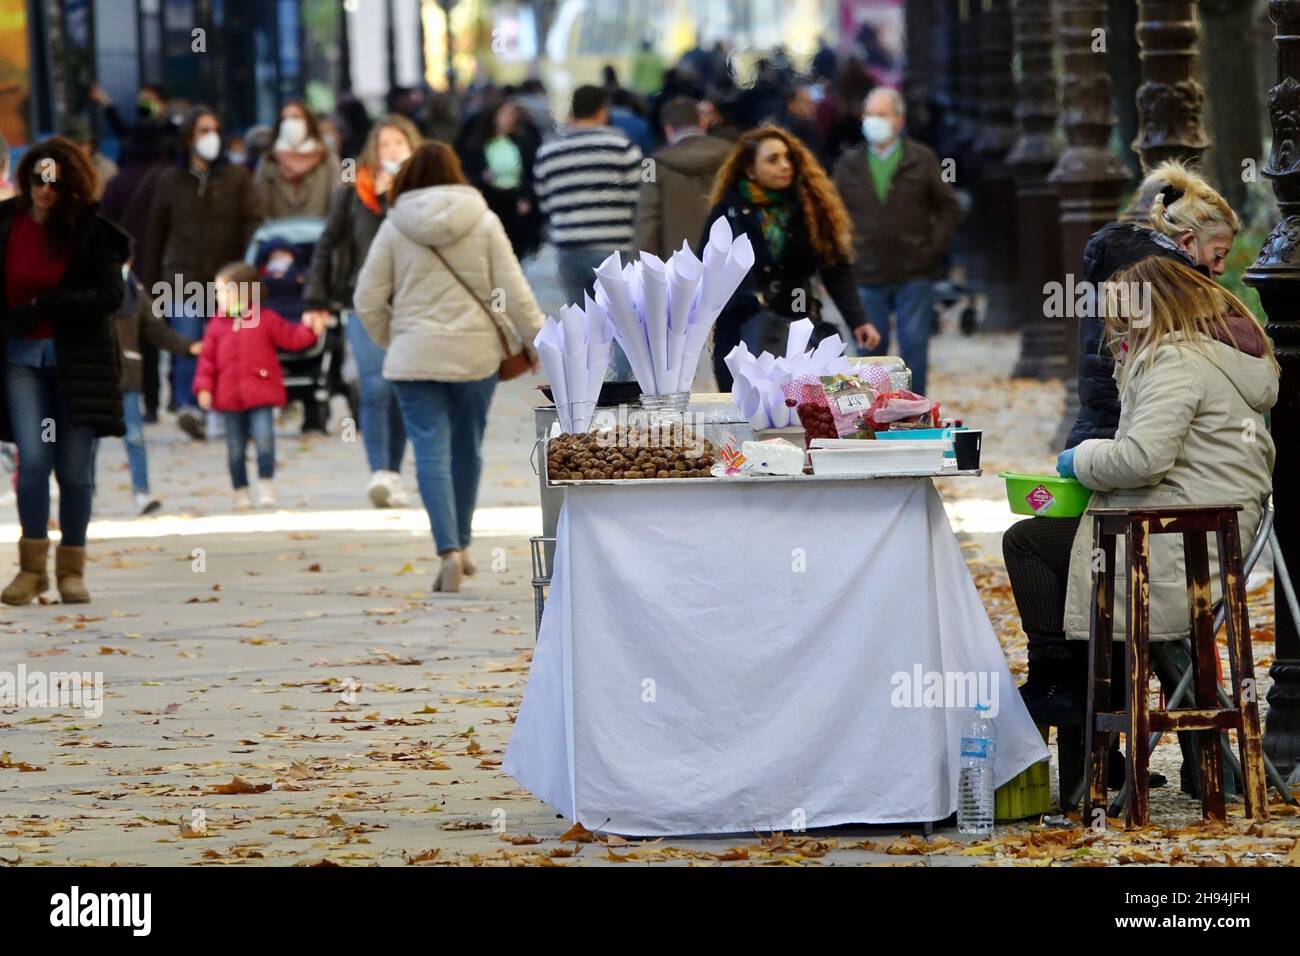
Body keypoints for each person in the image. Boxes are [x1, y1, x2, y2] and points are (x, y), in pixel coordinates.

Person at [1003, 256, 1277, 797]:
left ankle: (1060, 684)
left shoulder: (1175, 360)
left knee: (1029, 542)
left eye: (1121, 318)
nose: (1115, 331)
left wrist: (1079, 458)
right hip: (1204, 537)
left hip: (1175, 546)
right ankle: (1082, 722)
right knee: (1070, 562)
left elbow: (1142, 459)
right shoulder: (1221, 357)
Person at [353, 143, 544, 594]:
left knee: (430, 451)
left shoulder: (395, 225)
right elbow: (515, 291)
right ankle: (464, 541)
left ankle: (448, 552)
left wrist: (392, 337)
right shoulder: (483, 219)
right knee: (467, 448)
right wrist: (539, 344)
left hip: (414, 356)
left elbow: (366, 297)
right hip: (476, 355)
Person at [0, 137, 130, 605]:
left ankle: (71, 568)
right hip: (22, 360)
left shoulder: (92, 233)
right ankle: (31, 568)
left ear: (70, 185)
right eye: (36, 179)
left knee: (75, 472)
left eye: (53, 182)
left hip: (79, 363)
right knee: (32, 462)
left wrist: (53, 305)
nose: (43, 190)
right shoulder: (6, 224)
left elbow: (111, 296)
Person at [1065, 161, 1240, 450]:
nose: (1220, 268)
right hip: (1119, 444)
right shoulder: (1166, 291)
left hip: (1099, 436)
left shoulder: (1124, 268)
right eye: (1218, 255)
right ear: (1187, 242)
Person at [702, 125, 880, 392]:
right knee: (745, 413)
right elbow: (707, 266)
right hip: (742, 332)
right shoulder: (729, 209)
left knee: (806, 409)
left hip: (800, 327)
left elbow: (835, 268)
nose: (785, 166)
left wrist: (859, 321)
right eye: (773, 160)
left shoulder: (809, 206)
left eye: (788, 158)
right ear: (750, 170)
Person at [304, 115, 421, 509]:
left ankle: (394, 472)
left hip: (411, 303)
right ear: (373, 150)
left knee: (402, 386)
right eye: (385, 145)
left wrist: (397, 200)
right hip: (363, 301)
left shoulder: (425, 192)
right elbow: (327, 243)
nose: (391, 152)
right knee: (374, 386)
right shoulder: (355, 193)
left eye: (398, 145)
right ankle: (380, 473)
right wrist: (316, 299)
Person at [142, 106, 264, 440]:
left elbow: (253, 223)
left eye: (215, 129)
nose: (211, 137)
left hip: (228, 280)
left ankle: (220, 411)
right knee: (188, 345)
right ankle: (190, 407)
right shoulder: (169, 181)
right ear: (188, 139)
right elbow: (155, 234)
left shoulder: (237, 178)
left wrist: (247, 271)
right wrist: (150, 286)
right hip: (183, 279)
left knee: (228, 347)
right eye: (203, 131)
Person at [833, 87, 962, 396]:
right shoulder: (849, 164)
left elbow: (949, 207)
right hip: (865, 273)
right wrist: (842, 256)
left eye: (881, 115)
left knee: (913, 349)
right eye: (869, 114)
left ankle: (912, 414)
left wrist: (932, 250)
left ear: (898, 119)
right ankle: (868, 418)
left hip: (913, 272)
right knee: (868, 355)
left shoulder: (921, 158)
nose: (873, 121)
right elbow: (831, 214)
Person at [192, 261, 322, 510]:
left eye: (223, 291)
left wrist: (311, 328)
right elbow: (207, 361)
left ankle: (265, 483)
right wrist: (204, 388)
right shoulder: (216, 325)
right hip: (229, 398)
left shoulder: (266, 319)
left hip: (261, 393)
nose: (219, 297)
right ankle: (240, 489)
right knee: (234, 449)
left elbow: (292, 339)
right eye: (217, 291)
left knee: (265, 441)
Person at [533, 85, 641, 378]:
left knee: (579, 319)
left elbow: (544, 199)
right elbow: (637, 196)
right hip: (613, 245)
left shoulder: (549, 149)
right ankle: (623, 384)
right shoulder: (621, 146)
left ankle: (586, 381)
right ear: (602, 111)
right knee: (622, 318)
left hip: (568, 246)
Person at [114, 258, 201, 514]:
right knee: (89, 441)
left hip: (127, 374)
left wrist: (188, 347)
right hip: (93, 375)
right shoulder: (85, 285)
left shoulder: (134, 292)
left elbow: (157, 330)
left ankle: (141, 493)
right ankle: (85, 492)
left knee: (134, 438)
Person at [633, 96, 733, 261]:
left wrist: (637, 265)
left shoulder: (651, 164)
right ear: (702, 122)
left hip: (677, 266)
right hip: (727, 263)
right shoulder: (732, 155)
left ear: (668, 129)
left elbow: (646, 220)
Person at [459, 99, 543, 260]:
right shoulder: (477, 143)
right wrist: (481, 177)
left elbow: (531, 172)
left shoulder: (524, 140)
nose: (509, 118)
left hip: (516, 204)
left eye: (511, 114)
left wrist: (527, 197)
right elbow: (468, 169)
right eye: (505, 114)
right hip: (490, 202)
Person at [253, 100, 341, 220]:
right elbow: (259, 205)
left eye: (296, 117)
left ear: (308, 123)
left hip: (320, 234)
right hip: (278, 236)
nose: (290, 124)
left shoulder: (328, 159)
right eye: (285, 119)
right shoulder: (268, 161)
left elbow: (338, 202)